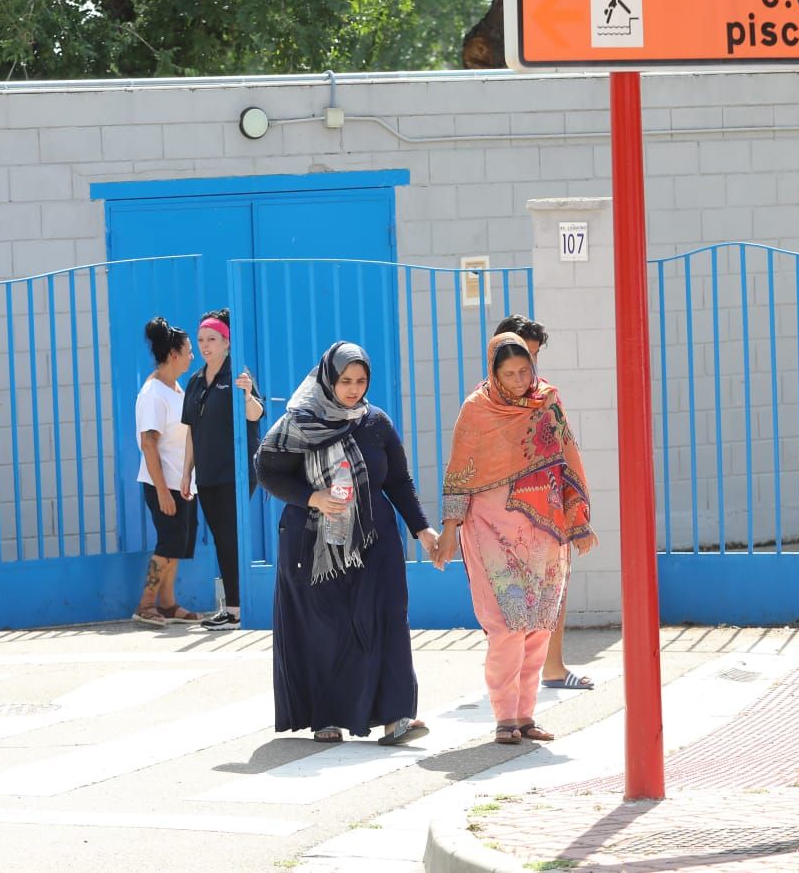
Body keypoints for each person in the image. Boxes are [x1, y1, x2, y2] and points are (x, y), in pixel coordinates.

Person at [255, 341, 445, 744]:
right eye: (345, 381)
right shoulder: (300, 422)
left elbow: (397, 480)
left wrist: (423, 529)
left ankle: (396, 716)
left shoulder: (375, 422)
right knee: (328, 626)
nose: (354, 389)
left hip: (375, 537)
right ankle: (327, 714)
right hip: (314, 540)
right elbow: (268, 471)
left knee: (389, 616)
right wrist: (313, 497)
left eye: (361, 381)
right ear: (328, 378)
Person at [438, 332, 599, 745]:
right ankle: (504, 718)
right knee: (506, 624)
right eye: (508, 373)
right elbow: (458, 473)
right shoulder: (476, 409)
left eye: (524, 370)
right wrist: (449, 531)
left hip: (543, 529)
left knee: (538, 626)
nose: (517, 380)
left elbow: (568, 458)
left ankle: (527, 716)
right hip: (489, 528)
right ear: (493, 371)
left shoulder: (547, 402)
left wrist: (578, 520)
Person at [494, 314, 594, 692]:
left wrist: (575, 512)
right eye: (520, 359)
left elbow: (567, 454)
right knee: (511, 598)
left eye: (533, 359)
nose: (526, 372)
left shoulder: (547, 397)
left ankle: (552, 667)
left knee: (554, 587)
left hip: (548, 509)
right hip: (503, 515)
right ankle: (512, 683)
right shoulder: (483, 405)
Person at [180, 309, 264, 631]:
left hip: (237, 472)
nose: (205, 345)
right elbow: (191, 430)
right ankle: (233, 607)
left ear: (226, 342)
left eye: (212, 339)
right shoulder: (196, 381)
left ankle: (237, 609)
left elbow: (256, 414)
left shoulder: (238, 376)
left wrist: (246, 393)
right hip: (208, 473)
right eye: (201, 340)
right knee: (221, 539)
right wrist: (186, 472)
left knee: (230, 538)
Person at [131, 317, 205, 626]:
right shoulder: (153, 393)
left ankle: (168, 603)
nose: (193, 356)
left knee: (179, 544)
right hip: (162, 483)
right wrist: (162, 490)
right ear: (173, 354)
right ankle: (146, 605)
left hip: (182, 481)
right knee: (169, 541)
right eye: (188, 351)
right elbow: (149, 444)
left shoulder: (176, 389)